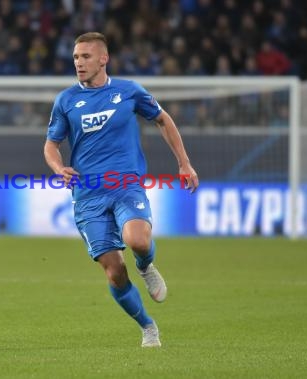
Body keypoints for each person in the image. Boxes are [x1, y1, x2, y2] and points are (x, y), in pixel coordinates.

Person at [43, 32, 199, 347]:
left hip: (126, 184)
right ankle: (148, 326)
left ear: (104, 59)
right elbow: (50, 145)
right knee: (114, 272)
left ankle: (146, 265)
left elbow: (163, 119)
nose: (79, 63)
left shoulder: (128, 92)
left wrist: (184, 163)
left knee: (137, 240)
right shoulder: (66, 100)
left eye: (85, 56)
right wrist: (59, 168)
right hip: (87, 196)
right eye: (75, 57)